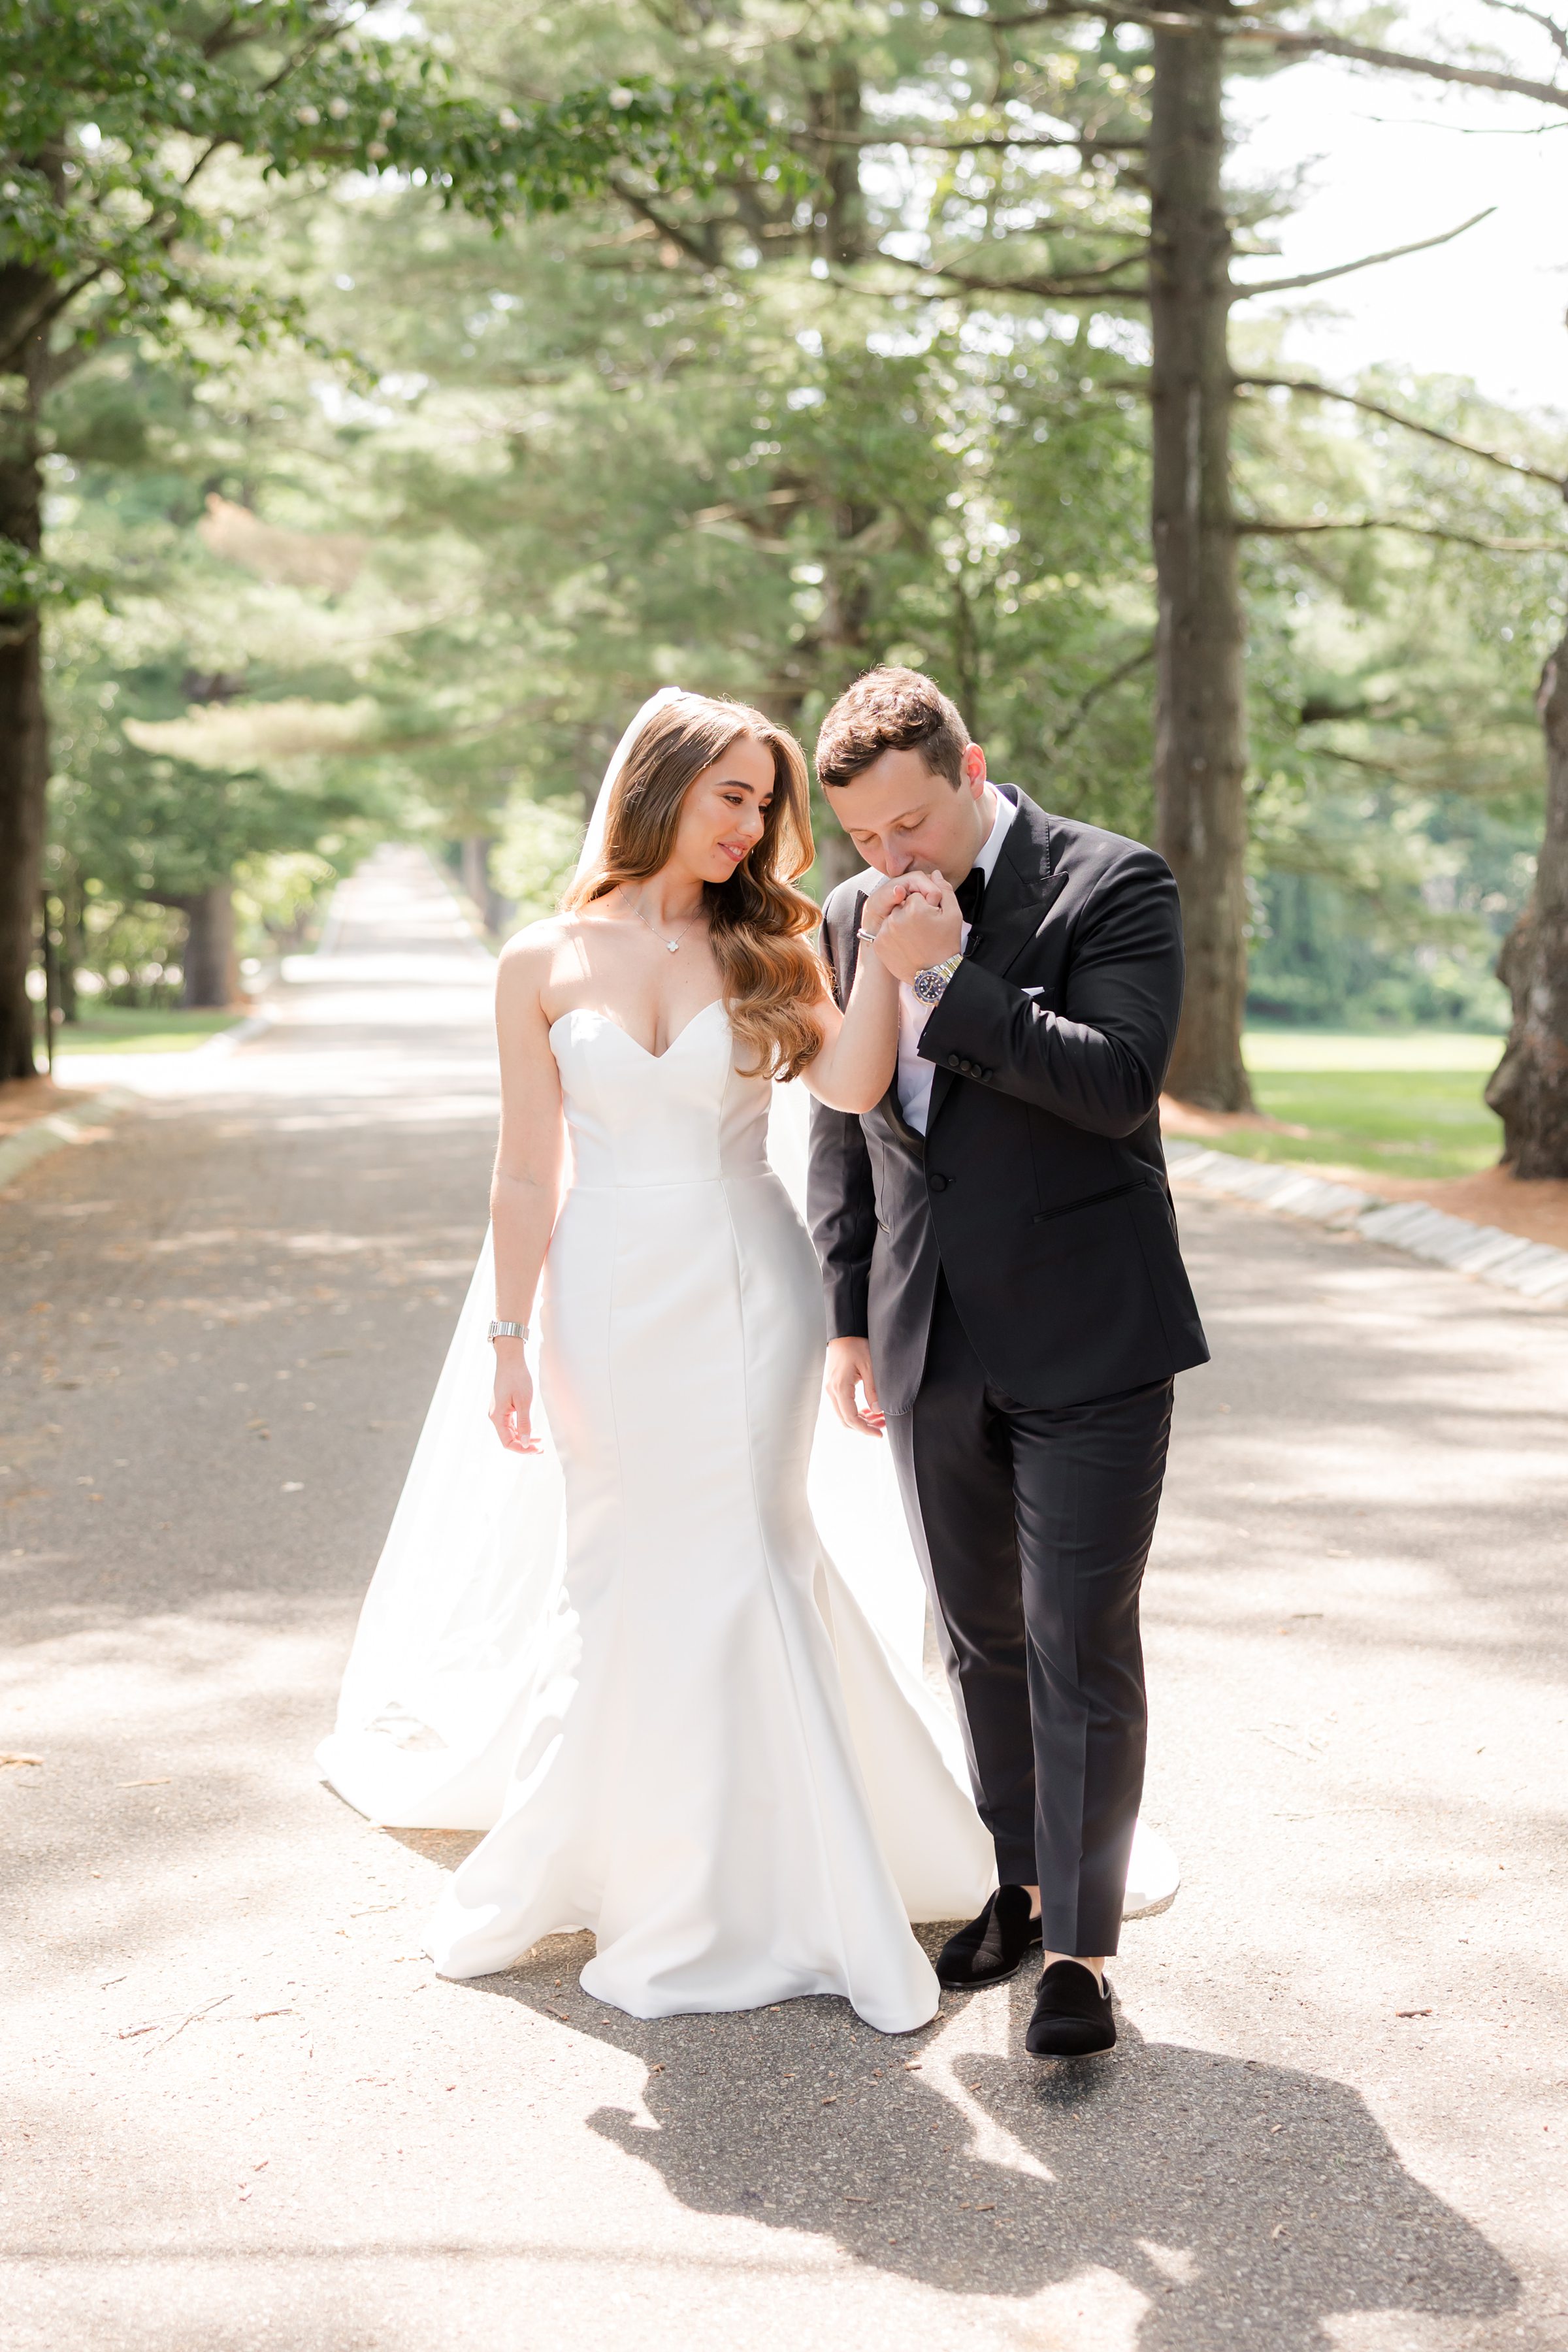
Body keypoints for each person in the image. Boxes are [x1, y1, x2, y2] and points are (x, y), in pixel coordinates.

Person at [318, 689, 994, 2034]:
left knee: (745, 1544)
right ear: (661, 785)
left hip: (752, 1291)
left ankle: (781, 1888)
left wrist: (893, 973)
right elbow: (525, 1171)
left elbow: (852, 1093)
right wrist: (510, 1339)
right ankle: (624, 1855)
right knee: (619, 1562)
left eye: (765, 801)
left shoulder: (780, 945)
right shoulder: (538, 961)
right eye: (731, 795)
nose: (754, 826)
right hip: (603, 1301)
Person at [808, 666, 1209, 2059]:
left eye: (912, 823)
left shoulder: (1113, 883)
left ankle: (1083, 1958)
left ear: (969, 766)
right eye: (864, 838)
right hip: (930, 1333)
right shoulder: (846, 916)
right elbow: (845, 1128)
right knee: (982, 1634)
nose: (891, 859)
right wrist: (847, 1310)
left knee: (1078, 1635)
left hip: (1092, 1329)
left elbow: (1114, 1083)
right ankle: (1023, 1886)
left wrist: (951, 979)